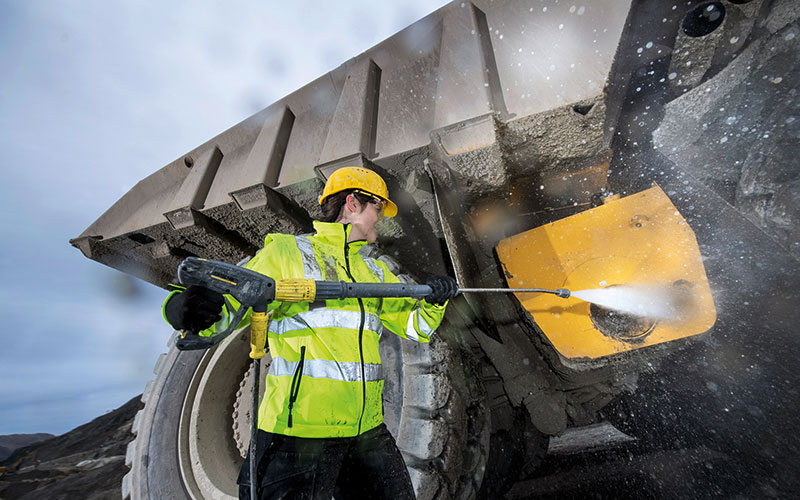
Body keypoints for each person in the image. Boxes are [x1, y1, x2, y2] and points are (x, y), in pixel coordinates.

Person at [163, 166, 458, 499]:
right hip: (296, 436)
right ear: (353, 204)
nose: (381, 218)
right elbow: (229, 303)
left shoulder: (372, 271)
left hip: (366, 434)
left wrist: (435, 300)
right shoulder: (288, 254)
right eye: (377, 208)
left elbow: (415, 327)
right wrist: (183, 307)